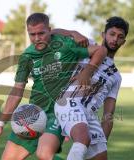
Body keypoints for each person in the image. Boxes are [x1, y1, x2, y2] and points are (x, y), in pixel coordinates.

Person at [0, 12, 107, 160]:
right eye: (32, 34)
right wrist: (1, 123)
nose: (37, 38)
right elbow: (16, 91)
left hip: (57, 112)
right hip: (33, 113)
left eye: (41, 33)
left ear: (49, 30)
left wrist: (88, 72)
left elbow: (100, 50)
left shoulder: (65, 44)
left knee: (44, 154)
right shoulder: (27, 56)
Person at [54, 16, 129, 160]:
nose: (115, 39)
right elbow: (53, 33)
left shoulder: (116, 76)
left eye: (120, 37)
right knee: (83, 138)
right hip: (68, 102)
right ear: (103, 35)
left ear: (123, 42)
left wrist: (102, 143)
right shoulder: (88, 45)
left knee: (100, 156)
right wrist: (73, 33)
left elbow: (108, 115)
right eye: (111, 34)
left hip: (88, 115)